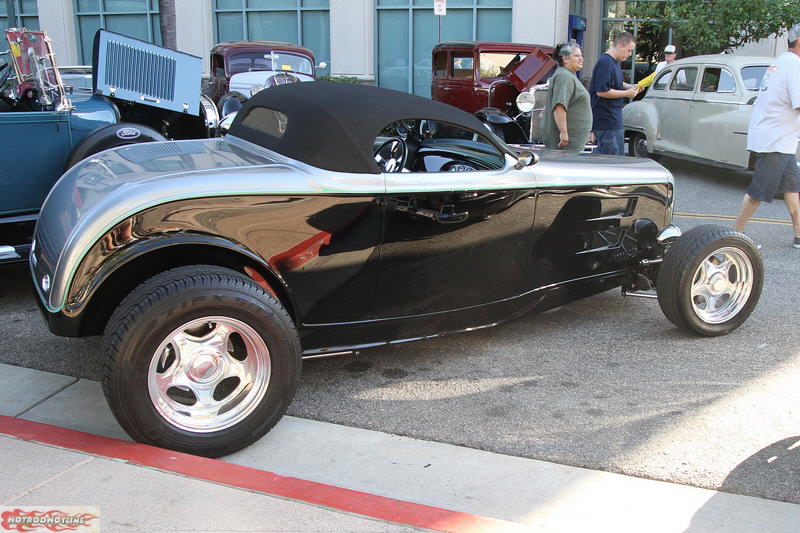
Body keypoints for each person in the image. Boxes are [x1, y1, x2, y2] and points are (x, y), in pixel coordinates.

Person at [734, 23, 800, 248]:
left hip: (781, 139)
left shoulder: (779, 62)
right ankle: (735, 235)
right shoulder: (795, 66)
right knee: (757, 193)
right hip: (775, 140)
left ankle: (799, 235)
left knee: (792, 188)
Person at [588, 32, 640, 155]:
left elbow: (616, 83)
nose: (630, 54)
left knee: (613, 156)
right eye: (629, 50)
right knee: (611, 158)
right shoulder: (605, 62)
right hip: (606, 119)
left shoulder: (614, 62)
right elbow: (602, 91)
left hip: (612, 117)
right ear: (620, 46)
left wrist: (631, 87)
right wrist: (626, 93)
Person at [541, 41, 592, 152]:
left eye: (581, 55)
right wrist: (564, 134)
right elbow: (559, 107)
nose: (581, 58)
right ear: (565, 59)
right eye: (576, 56)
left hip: (572, 141)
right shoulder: (564, 76)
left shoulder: (569, 75)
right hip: (566, 143)